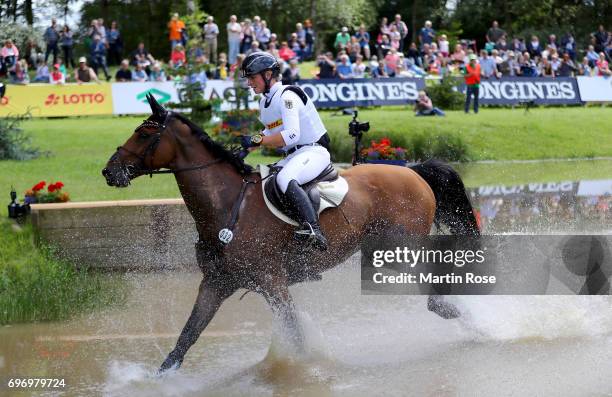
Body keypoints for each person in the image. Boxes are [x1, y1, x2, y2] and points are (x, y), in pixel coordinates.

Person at [240, 52, 331, 250]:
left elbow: (291, 136)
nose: (249, 83)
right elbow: (269, 132)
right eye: (248, 79)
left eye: (252, 78)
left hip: (314, 152)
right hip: (294, 155)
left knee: (284, 178)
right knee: (265, 178)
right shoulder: (265, 102)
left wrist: (257, 139)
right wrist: (243, 150)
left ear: (268, 75)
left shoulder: (287, 96)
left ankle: (313, 230)